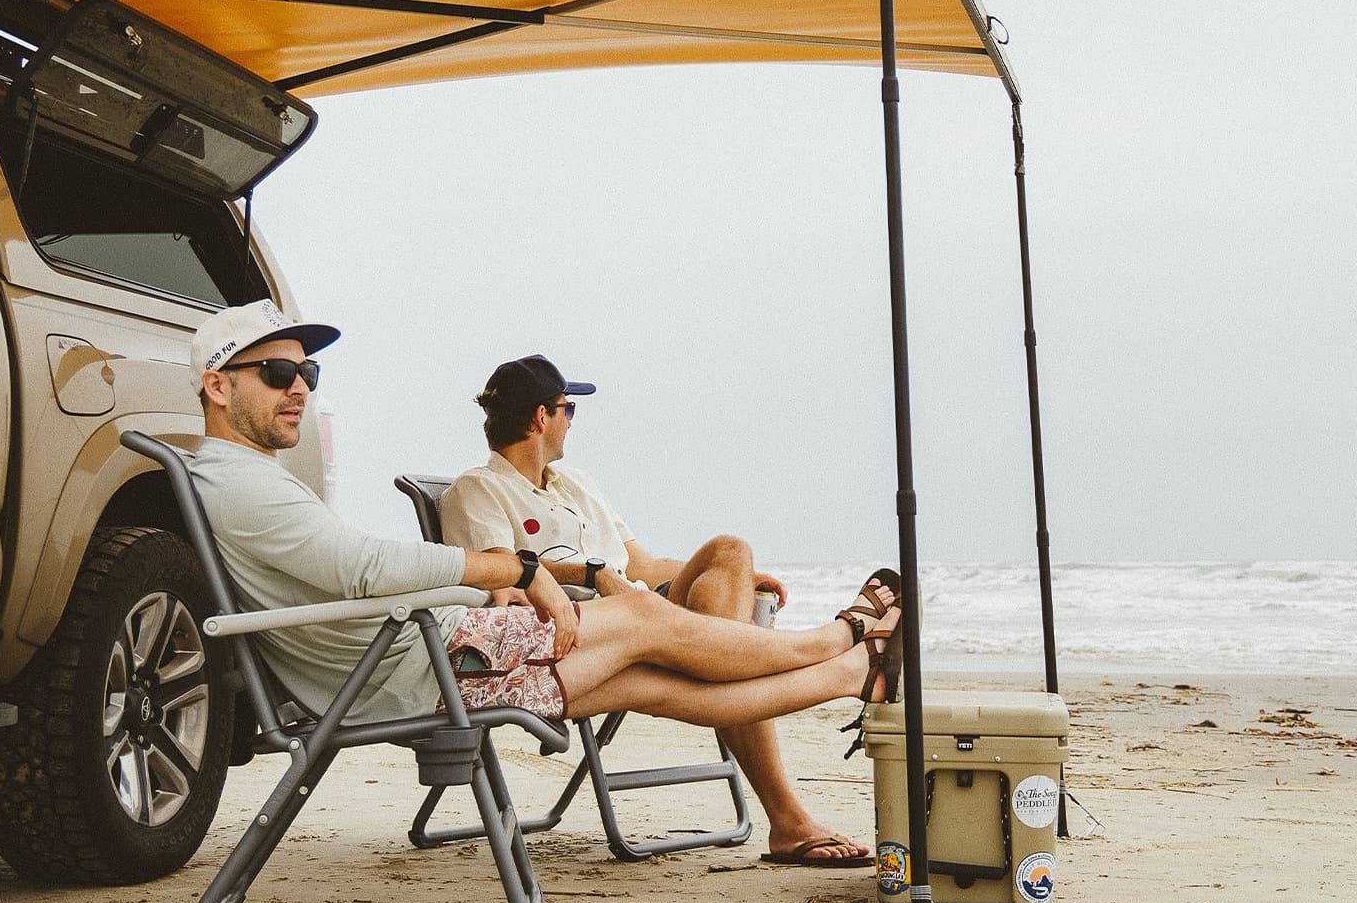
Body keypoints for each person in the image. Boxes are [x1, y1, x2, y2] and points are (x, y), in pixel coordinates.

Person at [184, 301, 902, 768]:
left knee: (652, 677)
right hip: (416, 670)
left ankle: (850, 673)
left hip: (424, 654)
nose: (301, 387)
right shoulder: (240, 483)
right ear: (218, 386)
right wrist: (519, 569)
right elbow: (359, 566)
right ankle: (838, 639)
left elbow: (350, 571)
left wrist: (513, 575)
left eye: (306, 370)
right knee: (648, 619)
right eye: (278, 371)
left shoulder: (248, 476)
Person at [439, 355, 883, 867]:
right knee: (720, 621)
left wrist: (729, 577)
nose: (571, 420)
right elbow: (502, 574)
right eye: (569, 409)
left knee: (730, 551)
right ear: (542, 417)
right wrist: (592, 572)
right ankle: (791, 803)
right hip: (587, 636)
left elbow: (643, 567)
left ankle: (766, 662)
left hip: (644, 613)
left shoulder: (575, 484)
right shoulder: (477, 489)